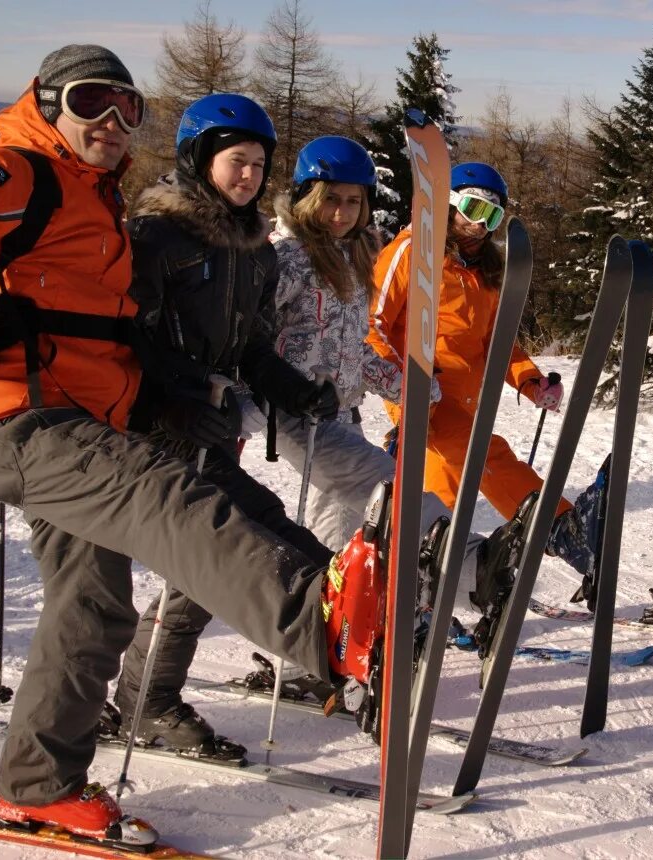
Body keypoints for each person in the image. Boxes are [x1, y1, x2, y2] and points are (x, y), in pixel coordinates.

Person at [0, 46, 338, 847]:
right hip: (18, 418)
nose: (114, 123)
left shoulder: (96, 206)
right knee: (163, 494)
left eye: (131, 109)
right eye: (93, 101)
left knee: (95, 604)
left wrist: (173, 390)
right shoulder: (27, 172)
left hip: (78, 421)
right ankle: (324, 625)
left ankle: (39, 785)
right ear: (48, 102)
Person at [112, 93, 342, 756]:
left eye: (259, 164)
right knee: (239, 543)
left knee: (208, 565)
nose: (249, 175)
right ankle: (144, 701)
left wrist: (297, 392)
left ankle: (144, 699)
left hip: (210, 429)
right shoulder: (158, 238)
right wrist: (176, 396)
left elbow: (249, 350)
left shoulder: (255, 251)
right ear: (198, 158)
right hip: (153, 429)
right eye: (236, 161)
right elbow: (127, 337)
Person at [266, 137, 513, 704]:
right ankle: (472, 566)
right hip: (294, 412)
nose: (341, 213)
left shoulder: (352, 257)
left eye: (353, 203)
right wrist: (244, 394)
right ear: (307, 197)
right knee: (388, 488)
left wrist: (409, 387)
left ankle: (318, 650)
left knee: (335, 536)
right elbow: (250, 335)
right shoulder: (288, 258)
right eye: (331, 200)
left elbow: (357, 348)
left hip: (337, 412)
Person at [367, 162, 594, 579]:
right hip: (424, 401)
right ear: (448, 205)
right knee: (484, 456)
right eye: (472, 209)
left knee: (438, 512)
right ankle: (560, 528)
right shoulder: (413, 250)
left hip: (467, 399)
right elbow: (373, 323)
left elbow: (495, 342)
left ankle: (421, 599)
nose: (478, 225)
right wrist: (403, 383)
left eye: (491, 216)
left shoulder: (484, 272)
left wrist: (529, 380)